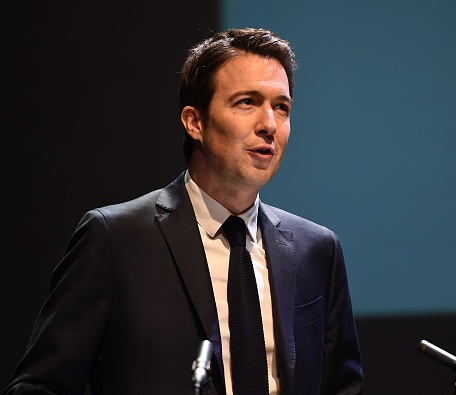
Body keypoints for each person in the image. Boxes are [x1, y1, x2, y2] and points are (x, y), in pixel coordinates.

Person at [3, 27, 364, 395]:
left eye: (281, 107)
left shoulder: (317, 250)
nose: (269, 124)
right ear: (195, 122)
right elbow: (40, 386)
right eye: (247, 102)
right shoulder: (114, 239)